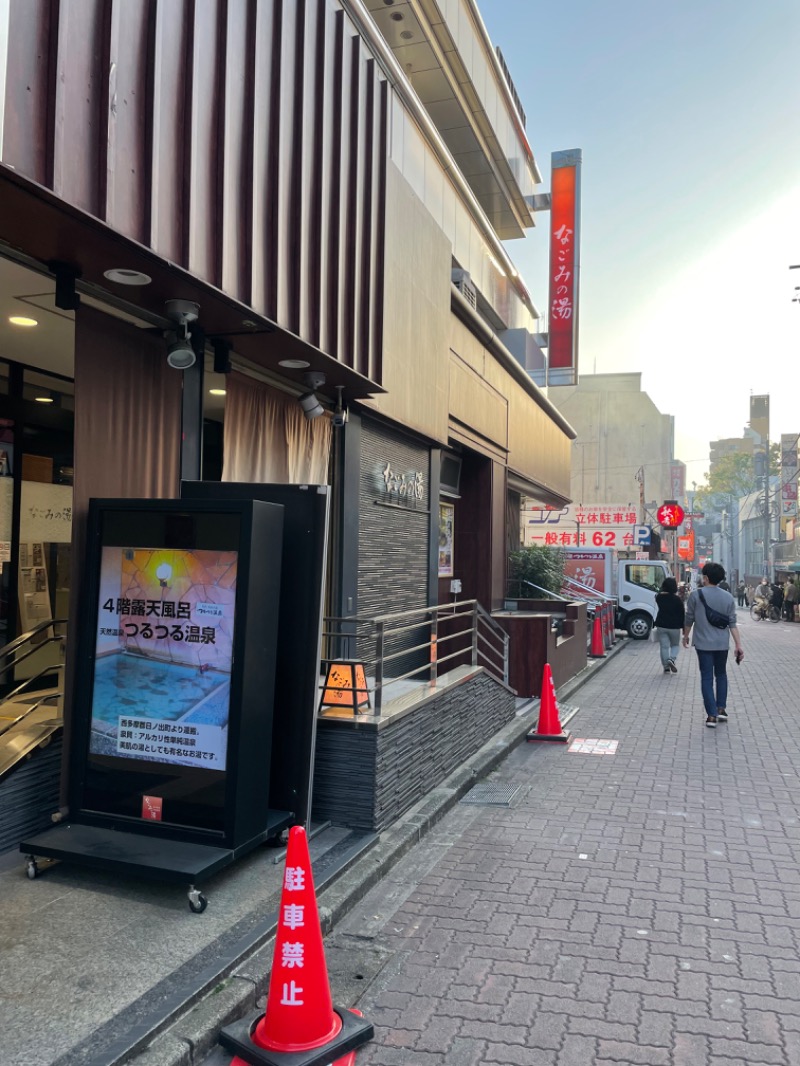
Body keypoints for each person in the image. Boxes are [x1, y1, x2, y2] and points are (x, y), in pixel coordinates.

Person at [682, 562, 744, 728]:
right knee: (721, 675)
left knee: (707, 677)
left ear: (706, 578)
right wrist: (738, 645)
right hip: (722, 644)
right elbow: (732, 624)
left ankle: (711, 715)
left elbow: (689, 619)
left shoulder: (696, 596)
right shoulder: (728, 597)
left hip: (703, 644)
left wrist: (685, 635)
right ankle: (721, 708)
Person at [654, 576, 685, 674]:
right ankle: (672, 659)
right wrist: (684, 628)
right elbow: (682, 614)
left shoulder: (659, 597)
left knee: (664, 646)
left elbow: (658, 594)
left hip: (661, 625)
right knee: (675, 645)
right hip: (674, 626)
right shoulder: (677, 599)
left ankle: (666, 667)